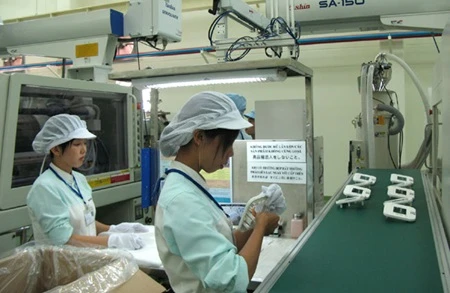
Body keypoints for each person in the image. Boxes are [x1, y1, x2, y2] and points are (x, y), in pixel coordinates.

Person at [154, 91, 280, 292]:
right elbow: (230, 280)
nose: (230, 152)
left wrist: (252, 225)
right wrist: (260, 229)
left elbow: (225, 248)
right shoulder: (182, 200)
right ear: (199, 137)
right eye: (227, 143)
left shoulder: (191, 185)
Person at [27, 114, 147, 250]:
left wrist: (114, 229)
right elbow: (63, 239)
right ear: (56, 149)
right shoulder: (45, 188)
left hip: (86, 258)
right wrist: (112, 240)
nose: (84, 150)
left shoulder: (79, 179)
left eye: (85, 143)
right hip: (61, 267)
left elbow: (85, 221)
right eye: (77, 144)